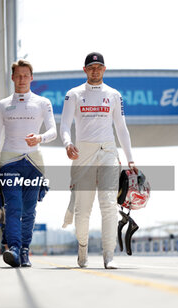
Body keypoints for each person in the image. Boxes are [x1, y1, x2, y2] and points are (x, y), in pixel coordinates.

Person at [60, 52, 137, 269]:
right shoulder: (73, 94)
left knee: (108, 205)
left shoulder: (114, 95)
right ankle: (82, 248)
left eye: (99, 67)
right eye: (91, 67)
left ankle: (108, 256)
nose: (95, 70)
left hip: (108, 152)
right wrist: (67, 143)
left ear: (104, 69)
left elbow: (121, 128)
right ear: (85, 70)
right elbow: (64, 125)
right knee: (83, 210)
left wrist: (130, 159)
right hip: (82, 153)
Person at [0, 59, 57, 268]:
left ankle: (25, 250)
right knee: (13, 207)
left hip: (34, 162)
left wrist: (40, 138)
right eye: (18, 75)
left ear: (32, 78)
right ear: (12, 77)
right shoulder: (1, 105)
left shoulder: (43, 103)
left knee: (29, 210)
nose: (22, 79)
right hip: (9, 162)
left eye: (26, 75)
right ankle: (14, 249)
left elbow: (53, 131)